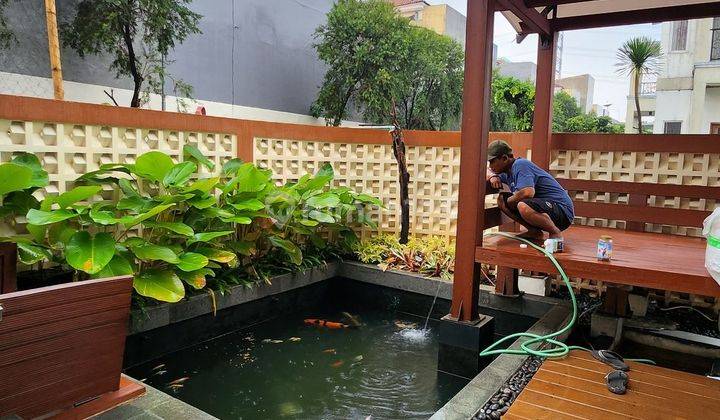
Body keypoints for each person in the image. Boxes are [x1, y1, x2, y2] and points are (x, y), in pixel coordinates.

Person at [486, 140, 574, 241]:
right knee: (502, 200)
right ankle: (534, 231)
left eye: (492, 161)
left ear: (505, 158)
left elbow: (527, 193)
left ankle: (555, 233)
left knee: (522, 205)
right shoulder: (507, 172)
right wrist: (493, 176)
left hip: (562, 211)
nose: (490, 165)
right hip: (547, 210)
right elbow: (486, 171)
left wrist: (510, 200)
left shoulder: (521, 165)